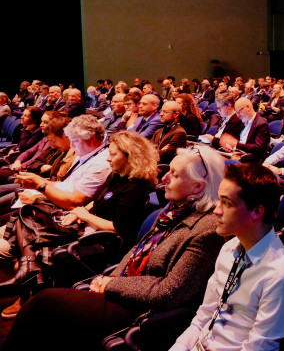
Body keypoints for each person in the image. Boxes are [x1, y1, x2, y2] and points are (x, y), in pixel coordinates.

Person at [2, 146, 227, 351]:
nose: (164, 178)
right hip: (124, 288)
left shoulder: (207, 230)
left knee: (43, 304)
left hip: (142, 311)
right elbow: (138, 250)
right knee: (48, 317)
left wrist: (113, 284)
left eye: (175, 175)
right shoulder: (175, 209)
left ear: (198, 186)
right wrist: (107, 277)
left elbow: (170, 291)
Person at [0, 131, 158, 318]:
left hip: (103, 241)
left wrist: (85, 215)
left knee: (31, 228)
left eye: (113, 154)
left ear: (130, 156)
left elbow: (118, 229)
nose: (108, 159)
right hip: (87, 224)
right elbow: (97, 202)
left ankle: (29, 281)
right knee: (27, 213)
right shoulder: (117, 176)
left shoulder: (135, 189)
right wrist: (79, 213)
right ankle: (30, 269)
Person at [168, 163, 284, 351]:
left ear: (256, 211)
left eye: (227, 203)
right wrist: (180, 347)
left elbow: (259, 348)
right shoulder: (229, 248)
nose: (216, 210)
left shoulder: (281, 274)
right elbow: (204, 317)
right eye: (219, 200)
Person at [12, 114, 111, 211]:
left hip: (64, 212)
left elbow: (76, 202)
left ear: (91, 139)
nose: (71, 146)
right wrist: (36, 179)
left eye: (75, 141)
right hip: (56, 203)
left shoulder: (100, 163)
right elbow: (64, 185)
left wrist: (39, 185)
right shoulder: (85, 154)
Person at [225, 97, 270, 163]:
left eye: (239, 111)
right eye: (236, 112)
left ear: (248, 107)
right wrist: (232, 148)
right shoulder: (243, 122)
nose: (237, 115)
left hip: (251, 161)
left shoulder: (261, 124)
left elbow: (258, 149)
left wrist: (236, 145)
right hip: (239, 155)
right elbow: (241, 142)